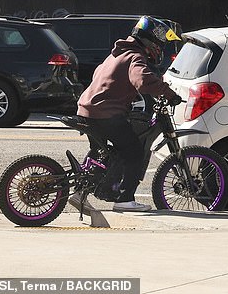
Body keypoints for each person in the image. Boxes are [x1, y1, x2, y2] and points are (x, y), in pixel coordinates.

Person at [70, 16, 183, 212]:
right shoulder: (135, 57)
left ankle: (79, 193)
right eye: (162, 42)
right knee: (133, 152)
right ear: (152, 40)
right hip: (104, 113)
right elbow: (142, 80)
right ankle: (124, 200)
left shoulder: (117, 53)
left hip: (88, 109)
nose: (162, 47)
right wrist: (169, 93)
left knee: (103, 153)